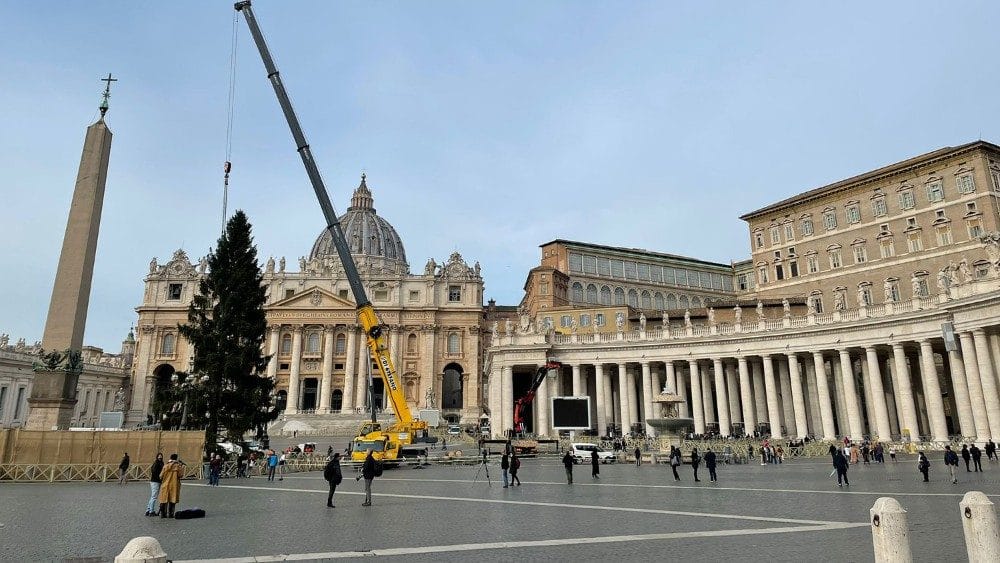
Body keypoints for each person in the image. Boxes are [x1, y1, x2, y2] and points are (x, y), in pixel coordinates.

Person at [158, 454, 183, 518]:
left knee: (164, 499)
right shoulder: (178, 466)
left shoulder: (166, 465)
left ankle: (163, 514)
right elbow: (181, 475)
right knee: (172, 499)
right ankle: (171, 514)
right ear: (176, 459)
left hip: (165, 485)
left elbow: (160, 476)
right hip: (174, 485)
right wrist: (181, 466)